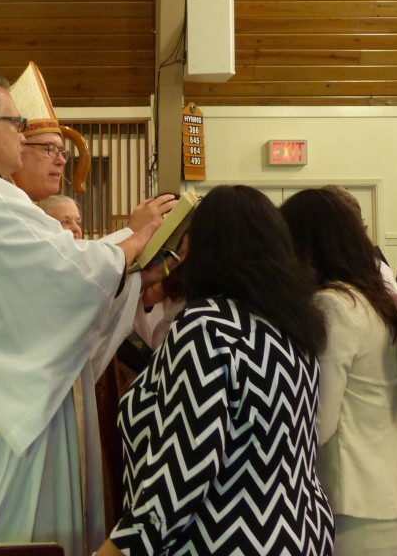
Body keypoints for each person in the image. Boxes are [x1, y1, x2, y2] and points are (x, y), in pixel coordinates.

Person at [0, 71, 168, 556]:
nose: (21, 136)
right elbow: (68, 276)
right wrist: (137, 236)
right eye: (15, 124)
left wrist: (135, 271)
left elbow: (57, 271)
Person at [95, 185, 335, 556]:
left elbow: (181, 475)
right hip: (297, 530)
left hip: (221, 537)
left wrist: (117, 549)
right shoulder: (290, 324)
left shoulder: (206, 326)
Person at [280, 188, 397, 556]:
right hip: (395, 489)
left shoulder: (332, 304)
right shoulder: (370, 297)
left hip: (363, 499)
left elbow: (320, 419)